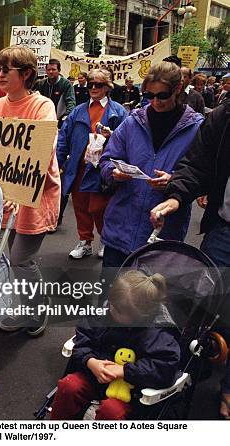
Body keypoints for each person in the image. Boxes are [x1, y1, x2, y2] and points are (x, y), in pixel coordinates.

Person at [149, 99, 230, 419]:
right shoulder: (224, 115)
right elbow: (197, 164)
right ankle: (188, 367)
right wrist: (175, 196)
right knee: (201, 306)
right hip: (224, 230)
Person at [0, 46, 60, 332]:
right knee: (10, 257)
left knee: (20, 258)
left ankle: (36, 311)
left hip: (32, 197)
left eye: (6, 70)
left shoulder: (43, 106)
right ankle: (23, 308)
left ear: (26, 74)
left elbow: (42, 151)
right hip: (4, 197)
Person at [98, 61, 204, 268]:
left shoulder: (196, 127)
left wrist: (173, 180)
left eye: (162, 95)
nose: (155, 102)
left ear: (178, 89)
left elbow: (200, 174)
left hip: (162, 233)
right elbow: (106, 159)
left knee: (151, 298)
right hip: (121, 226)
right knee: (110, 296)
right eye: (149, 96)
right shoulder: (132, 121)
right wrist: (114, 171)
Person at [50, 270, 180, 420]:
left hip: (131, 392)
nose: (110, 309)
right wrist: (90, 361)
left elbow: (165, 368)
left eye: (116, 310)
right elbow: (83, 338)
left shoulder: (157, 335)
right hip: (95, 376)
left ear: (137, 318)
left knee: (111, 411)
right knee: (69, 386)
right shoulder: (104, 314)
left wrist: (125, 371)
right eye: (110, 303)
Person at [57, 69, 128, 260]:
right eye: (90, 85)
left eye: (99, 85)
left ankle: (105, 240)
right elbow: (63, 138)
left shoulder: (119, 112)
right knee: (80, 207)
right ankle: (85, 241)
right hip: (79, 167)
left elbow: (128, 141)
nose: (94, 88)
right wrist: (58, 162)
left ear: (108, 87)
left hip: (101, 169)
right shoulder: (78, 111)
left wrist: (112, 137)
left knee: (99, 207)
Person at [33, 58, 76, 128]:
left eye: (53, 69)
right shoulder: (40, 83)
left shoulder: (66, 84)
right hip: (43, 118)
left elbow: (71, 102)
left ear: (59, 71)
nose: (51, 72)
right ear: (46, 71)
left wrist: (66, 117)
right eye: (48, 69)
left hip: (59, 120)